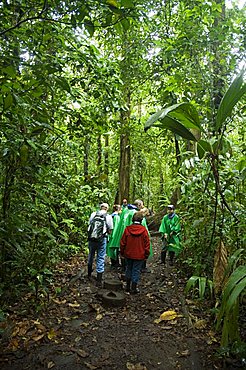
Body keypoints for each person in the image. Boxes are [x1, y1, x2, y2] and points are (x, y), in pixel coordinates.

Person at [120, 212, 150, 294]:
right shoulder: (144, 231)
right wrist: (146, 254)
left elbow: (122, 242)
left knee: (128, 269)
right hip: (139, 255)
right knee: (136, 270)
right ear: (141, 220)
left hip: (128, 254)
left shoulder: (127, 229)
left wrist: (122, 252)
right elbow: (147, 244)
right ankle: (133, 288)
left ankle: (127, 287)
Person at [87, 203, 113, 286]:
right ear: (107, 209)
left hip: (91, 239)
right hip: (102, 239)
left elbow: (89, 224)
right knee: (101, 257)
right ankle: (99, 280)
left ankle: (89, 274)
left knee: (91, 255)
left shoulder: (93, 214)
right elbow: (110, 229)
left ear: (100, 207)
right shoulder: (108, 217)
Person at [107, 204, 122, 269]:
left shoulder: (111, 216)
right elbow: (116, 227)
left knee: (111, 249)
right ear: (119, 209)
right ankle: (115, 264)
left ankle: (114, 263)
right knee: (114, 249)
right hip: (114, 235)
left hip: (110, 235)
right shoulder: (117, 217)